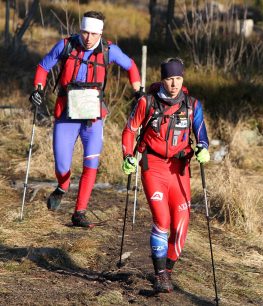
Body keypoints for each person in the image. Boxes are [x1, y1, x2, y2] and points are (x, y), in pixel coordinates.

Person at [29, 11, 141, 228]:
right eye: (84, 32)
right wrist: (38, 89)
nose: (88, 37)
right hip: (66, 114)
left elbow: (131, 66)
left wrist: (137, 90)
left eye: (93, 33)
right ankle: (63, 185)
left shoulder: (110, 50)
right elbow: (43, 67)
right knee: (62, 165)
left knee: (91, 163)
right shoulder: (66, 45)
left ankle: (79, 212)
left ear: (100, 32)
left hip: (93, 116)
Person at [121, 58, 210, 293]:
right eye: (170, 79)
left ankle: (167, 270)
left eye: (178, 78)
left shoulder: (192, 105)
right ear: (162, 79)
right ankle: (159, 274)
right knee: (162, 221)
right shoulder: (147, 102)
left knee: (181, 226)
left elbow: (201, 134)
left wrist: (203, 149)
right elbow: (130, 130)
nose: (174, 84)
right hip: (154, 167)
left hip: (179, 170)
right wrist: (128, 156)